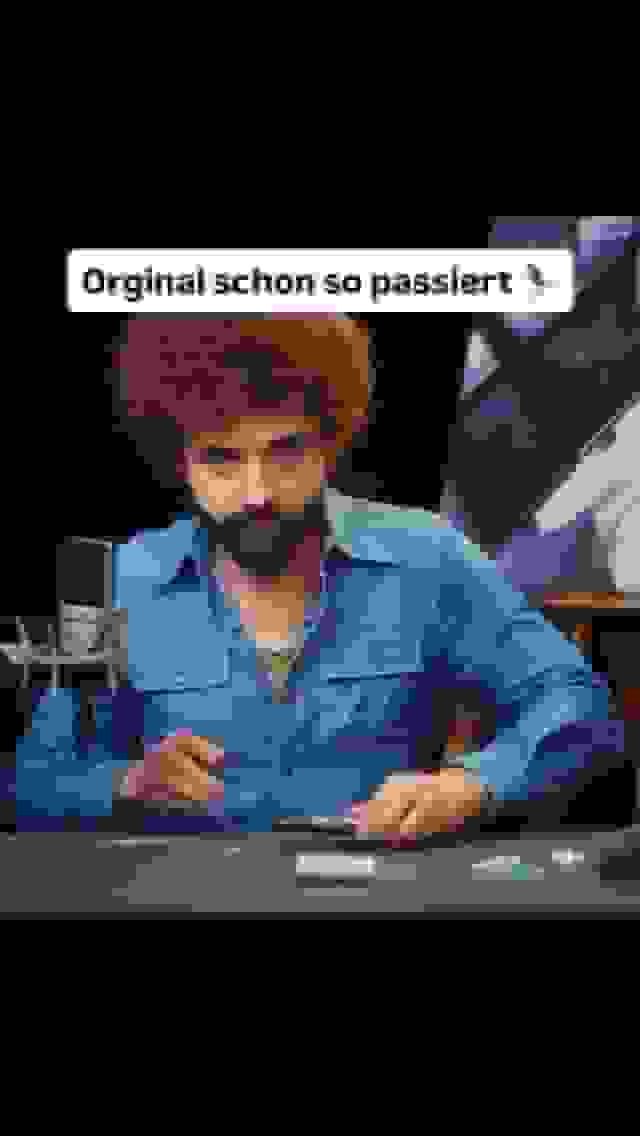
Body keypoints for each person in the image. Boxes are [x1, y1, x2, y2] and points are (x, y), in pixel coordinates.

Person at [15, 314, 624, 835]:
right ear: (182, 462)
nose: (256, 493)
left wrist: (472, 784)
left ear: (330, 445)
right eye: (221, 459)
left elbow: (578, 708)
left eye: (284, 452)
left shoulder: (430, 557)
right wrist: (126, 783)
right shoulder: (118, 581)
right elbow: (34, 780)